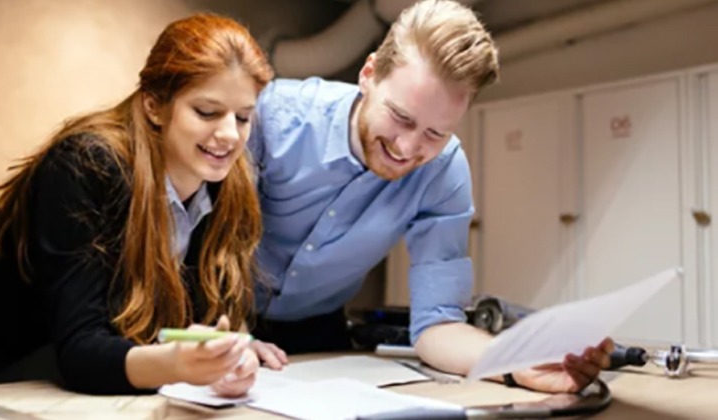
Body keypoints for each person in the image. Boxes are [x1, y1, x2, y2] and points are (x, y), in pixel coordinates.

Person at [246, 0, 613, 394]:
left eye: (435, 134)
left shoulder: (444, 173)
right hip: (213, 323)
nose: (407, 148)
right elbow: (197, 238)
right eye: (401, 117)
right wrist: (228, 335)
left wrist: (517, 361)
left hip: (316, 332)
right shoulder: (271, 117)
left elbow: (437, 325)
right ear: (368, 74)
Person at [0, 12, 273, 395]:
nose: (230, 134)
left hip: (25, 378)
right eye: (206, 112)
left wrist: (233, 351)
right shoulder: (85, 165)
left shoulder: (226, 182)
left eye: (244, 117)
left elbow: (197, 321)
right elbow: (82, 351)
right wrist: (174, 364)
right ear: (154, 106)